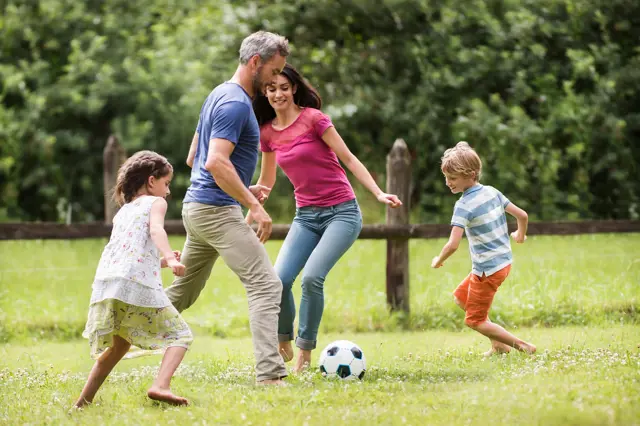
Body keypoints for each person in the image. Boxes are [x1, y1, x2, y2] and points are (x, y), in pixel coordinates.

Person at [250, 64, 403, 372]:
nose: (277, 93)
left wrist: (377, 193)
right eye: (271, 88)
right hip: (305, 216)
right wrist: (255, 193)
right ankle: (284, 340)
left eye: (283, 87)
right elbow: (267, 179)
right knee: (279, 279)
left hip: (342, 213)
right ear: (265, 93)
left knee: (311, 278)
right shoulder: (267, 133)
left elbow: (348, 158)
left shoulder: (314, 119)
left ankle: (305, 351)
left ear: (294, 88)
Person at [164, 31, 289, 385]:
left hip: (199, 208)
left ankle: (120, 330)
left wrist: (239, 186)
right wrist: (253, 205)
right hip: (215, 212)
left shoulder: (219, 93)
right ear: (255, 63)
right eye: (274, 70)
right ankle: (271, 375)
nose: (276, 80)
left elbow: (194, 157)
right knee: (266, 285)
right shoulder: (236, 103)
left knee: (181, 293)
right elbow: (215, 162)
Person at [74, 151, 193, 409]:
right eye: (166, 183)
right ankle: (160, 386)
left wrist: (160, 260)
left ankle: (82, 403)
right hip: (134, 284)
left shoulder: (123, 212)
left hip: (109, 283)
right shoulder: (155, 203)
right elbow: (156, 230)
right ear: (151, 182)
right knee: (181, 336)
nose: (168, 191)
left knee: (118, 346)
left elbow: (130, 251)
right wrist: (170, 259)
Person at [431, 141, 536, 356]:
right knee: (462, 297)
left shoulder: (463, 206)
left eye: (452, 178)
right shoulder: (492, 192)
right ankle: (498, 345)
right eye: (446, 178)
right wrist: (520, 235)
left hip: (487, 270)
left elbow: (453, 244)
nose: (447, 183)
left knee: (474, 320)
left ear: (470, 174)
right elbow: (522, 215)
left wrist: (439, 259)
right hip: (502, 263)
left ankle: (523, 346)